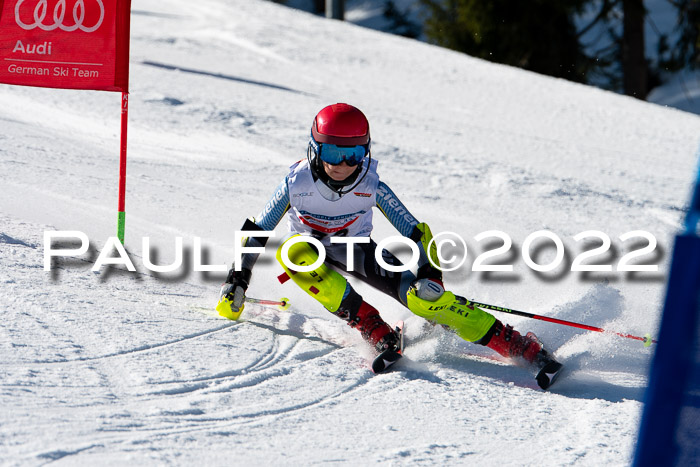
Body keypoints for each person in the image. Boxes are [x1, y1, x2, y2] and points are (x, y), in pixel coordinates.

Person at [219, 103, 562, 387]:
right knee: (294, 253)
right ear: (315, 148)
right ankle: (373, 327)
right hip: (311, 248)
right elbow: (257, 229)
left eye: (353, 154)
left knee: (424, 299)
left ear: (364, 152)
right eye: (333, 152)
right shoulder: (296, 182)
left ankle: (518, 345)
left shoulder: (372, 185)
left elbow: (418, 233)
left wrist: (432, 275)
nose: (343, 165)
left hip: (356, 248)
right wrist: (238, 278)